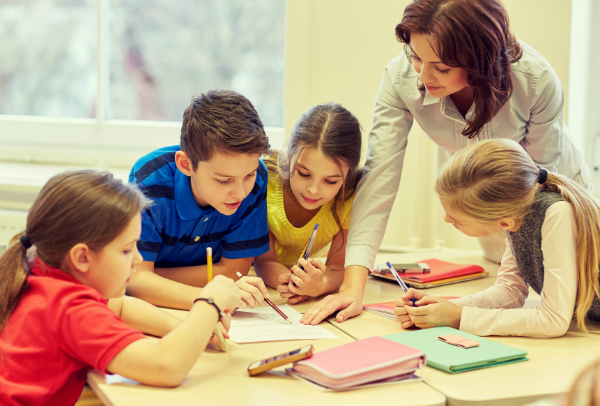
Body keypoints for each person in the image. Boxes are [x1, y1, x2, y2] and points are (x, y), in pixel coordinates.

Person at [300, 0, 592, 326]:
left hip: (547, 193)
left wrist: (457, 317)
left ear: (480, 61)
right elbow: (378, 178)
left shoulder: (535, 80)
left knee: (572, 300)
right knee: (513, 280)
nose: (423, 77)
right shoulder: (401, 79)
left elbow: (536, 188)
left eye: (441, 67)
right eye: (415, 57)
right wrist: (352, 288)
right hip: (494, 206)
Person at [0, 170, 241, 406]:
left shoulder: (39, 271)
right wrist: (209, 302)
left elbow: (120, 306)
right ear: (82, 257)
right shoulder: (70, 307)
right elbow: (165, 366)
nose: (137, 259)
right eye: (127, 249)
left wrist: (188, 330)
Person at [394, 139, 600, 337]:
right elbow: (510, 291)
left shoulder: (556, 214)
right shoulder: (517, 210)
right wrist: (442, 309)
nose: (447, 220)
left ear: (504, 223)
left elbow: (553, 321)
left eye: (458, 220)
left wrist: (458, 318)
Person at [128, 90, 271, 310]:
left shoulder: (257, 177)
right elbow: (135, 282)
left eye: (249, 175)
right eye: (224, 180)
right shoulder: (149, 181)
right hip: (156, 308)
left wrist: (150, 276)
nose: (241, 193)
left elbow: (233, 271)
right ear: (186, 165)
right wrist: (211, 298)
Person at [254, 103, 363, 303]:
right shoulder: (265, 182)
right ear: (289, 156)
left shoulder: (350, 197)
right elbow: (264, 261)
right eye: (304, 174)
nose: (313, 190)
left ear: (348, 175)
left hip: (304, 275)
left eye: (331, 181)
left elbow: (338, 268)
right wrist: (287, 281)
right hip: (254, 278)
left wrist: (319, 285)